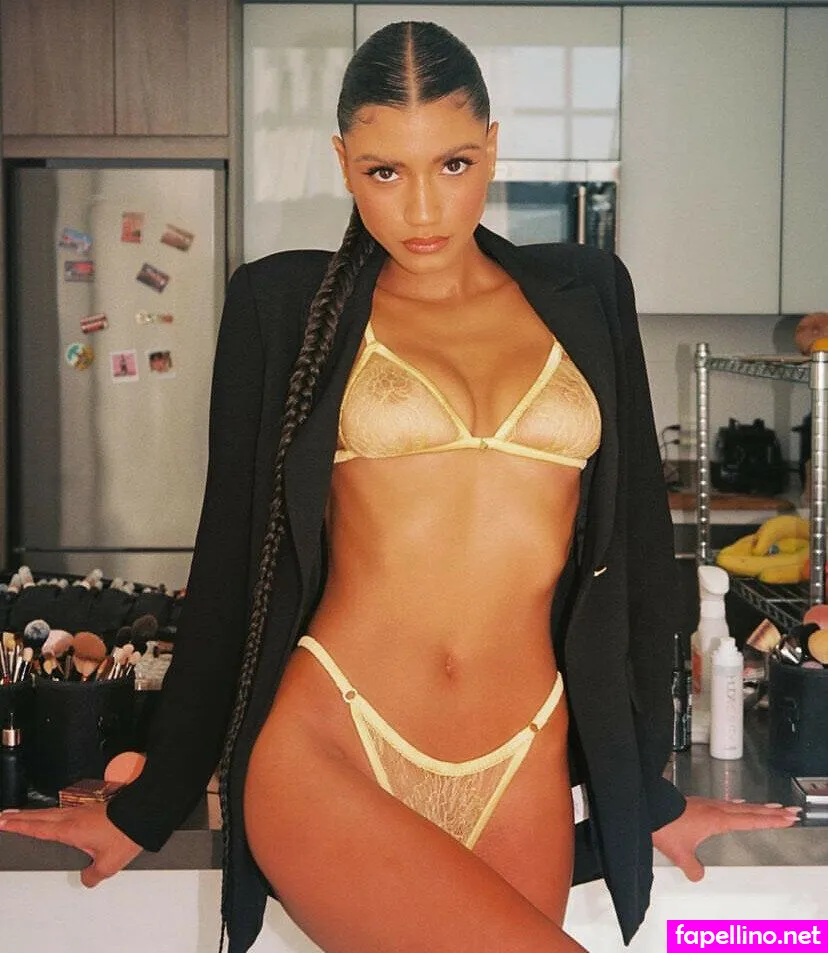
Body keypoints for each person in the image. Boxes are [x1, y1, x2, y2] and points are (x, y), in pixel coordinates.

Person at [0, 21, 799, 953]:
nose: (423, 206)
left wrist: (647, 787)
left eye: (453, 163)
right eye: (385, 171)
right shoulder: (284, 306)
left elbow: (639, 557)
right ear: (343, 161)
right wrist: (151, 804)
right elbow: (229, 570)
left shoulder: (587, 292)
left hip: (523, 758)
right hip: (336, 742)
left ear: (492, 146)